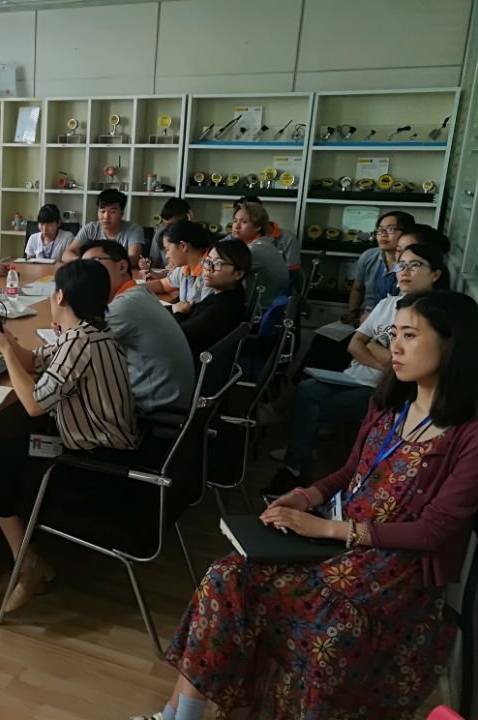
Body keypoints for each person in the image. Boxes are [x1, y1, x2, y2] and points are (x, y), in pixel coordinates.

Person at [132, 290, 478, 720]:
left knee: (317, 614)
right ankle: (179, 715)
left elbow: (433, 532)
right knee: (226, 574)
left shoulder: (468, 433)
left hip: (394, 570)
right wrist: (306, 496)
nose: (396, 347)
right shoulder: (390, 403)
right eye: (394, 334)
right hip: (338, 543)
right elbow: (350, 471)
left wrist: (325, 528)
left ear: (453, 343)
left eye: (410, 335)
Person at [0, 260, 142, 613]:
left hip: (92, 467)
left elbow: (34, 404)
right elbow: (35, 361)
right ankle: (30, 562)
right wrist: (7, 341)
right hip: (102, 451)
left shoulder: (78, 343)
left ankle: (27, 565)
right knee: (3, 454)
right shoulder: (92, 333)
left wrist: (4, 351)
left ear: (60, 296)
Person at [265, 242, 448, 495]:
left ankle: (299, 471)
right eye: (401, 265)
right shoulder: (388, 304)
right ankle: (296, 470)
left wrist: (374, 349)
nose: (405, 271)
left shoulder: (436, 314)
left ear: (435, 274)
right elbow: (355, 344)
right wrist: (385, 362)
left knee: (311, 405)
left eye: (415, 265)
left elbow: (403, 361)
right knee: (306, 389)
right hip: (355, 376)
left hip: (386, 389)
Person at [82, 240, 194, 414]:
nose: (87, 272)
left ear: (121, 266)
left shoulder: (124, 306)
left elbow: (76, 349)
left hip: (154, 408)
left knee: (70, 389)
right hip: (168, 396)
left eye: (94, 263)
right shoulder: (138, 293)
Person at [173, 239, 250, 357]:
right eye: (208, 261)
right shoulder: (223, 295)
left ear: (238, 274)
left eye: (218, 263)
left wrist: (179, 313)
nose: (209, 268)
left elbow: (177, 336)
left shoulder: (225, 307)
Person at [345, 210, 416, 325]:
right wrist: (352, 313)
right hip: (363, 319)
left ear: (407, 233)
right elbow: (358, 289)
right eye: (380, 230)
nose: (383, 234)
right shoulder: (369, 256)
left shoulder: (412, 263)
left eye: (391, 229)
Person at [231, 200, 289, 309]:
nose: (236, 226)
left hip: (257, 310)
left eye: (244, 222)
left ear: (258, 226)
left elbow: (222, 272)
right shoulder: (263, 243)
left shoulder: (256, 250)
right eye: (235, 221)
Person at [62, 190, 145, 265]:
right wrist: (84, 262)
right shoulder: (90, 229)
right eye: (102, 211)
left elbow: (133, 259)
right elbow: (66, 254)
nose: (106, 216)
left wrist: (99, 262)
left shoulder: (134, 230)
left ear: (122, 213)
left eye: (112, 212)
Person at [145, 220, 213, 304]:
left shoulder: (211, 272)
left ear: (183, 246)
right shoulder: (184, 268)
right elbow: (162, 285)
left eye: (167, 249)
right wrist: (133, 288)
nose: (166, 256)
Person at [142, 197, 191, 273]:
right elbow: (155, 264)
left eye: (172, 225)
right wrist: (148, 264)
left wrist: (192, 227)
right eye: (165, 225)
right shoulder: (160, 234)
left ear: (187, 218)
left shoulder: (195, 237)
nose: (168, 229)